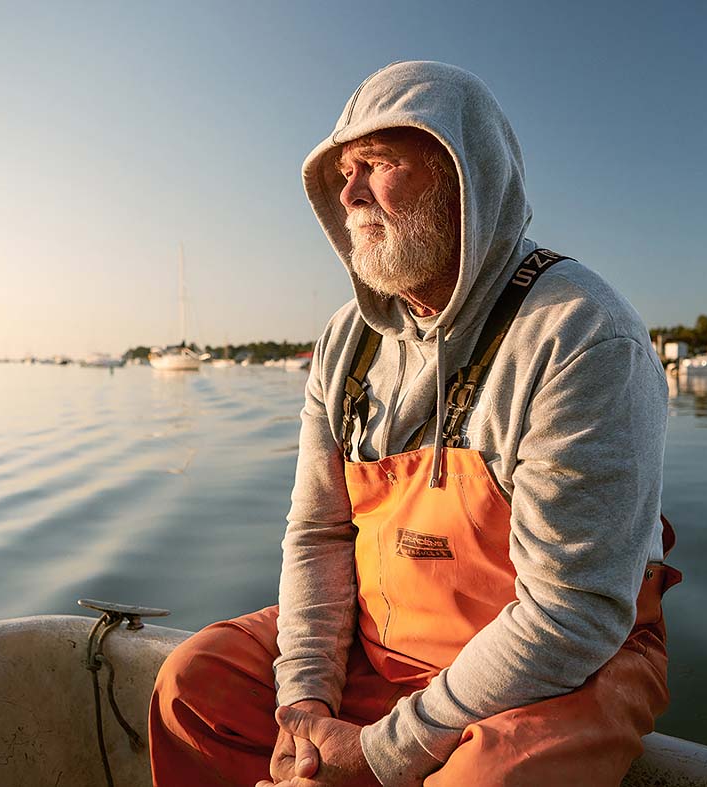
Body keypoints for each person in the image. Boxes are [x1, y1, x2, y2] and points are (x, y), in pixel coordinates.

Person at [149, 60, 680, 787]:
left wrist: (380, 750)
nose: (350, 192)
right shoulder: (344, 341)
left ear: (466, 177)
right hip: (384, 630)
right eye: (343, 171)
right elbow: (319, 532)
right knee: (193, 684)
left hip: (563, 659)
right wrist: (304, 705)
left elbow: (574, 611)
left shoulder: (581, 334)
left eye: (379, 163)